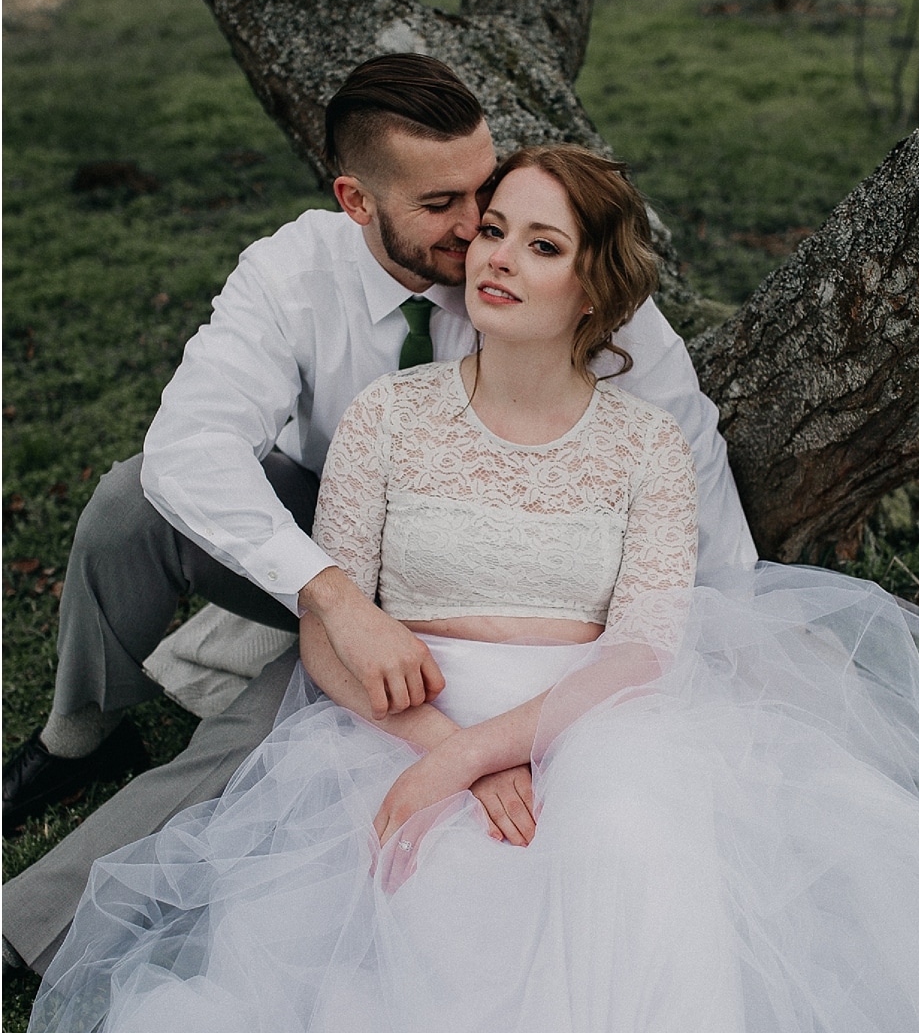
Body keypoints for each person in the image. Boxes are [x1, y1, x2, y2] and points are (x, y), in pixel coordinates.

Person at [5, 145, 919, 1033]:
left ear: (589, 288)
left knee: (638, 890)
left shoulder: (643, 439)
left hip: (598, 719)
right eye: (494, 231)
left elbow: (643, 642)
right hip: (400, 716)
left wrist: (500, 748)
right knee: (439, 915)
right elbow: (331, 635)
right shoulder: (388, 418)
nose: (495, 259)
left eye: (540, 246)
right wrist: (449, 754)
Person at [2, 54, 752, 976]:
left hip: (478, 588)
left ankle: (27, 928)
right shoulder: (292, 271)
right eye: (443, 205)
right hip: (332, 534)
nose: (479, 227)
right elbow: (190, 447)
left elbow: (686, 457)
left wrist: (723, 639)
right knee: (131, 502)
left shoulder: (557, 274)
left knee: (263, 727)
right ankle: (79, 733)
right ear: (357, 202)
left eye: (483, 188)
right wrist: (337, 601)